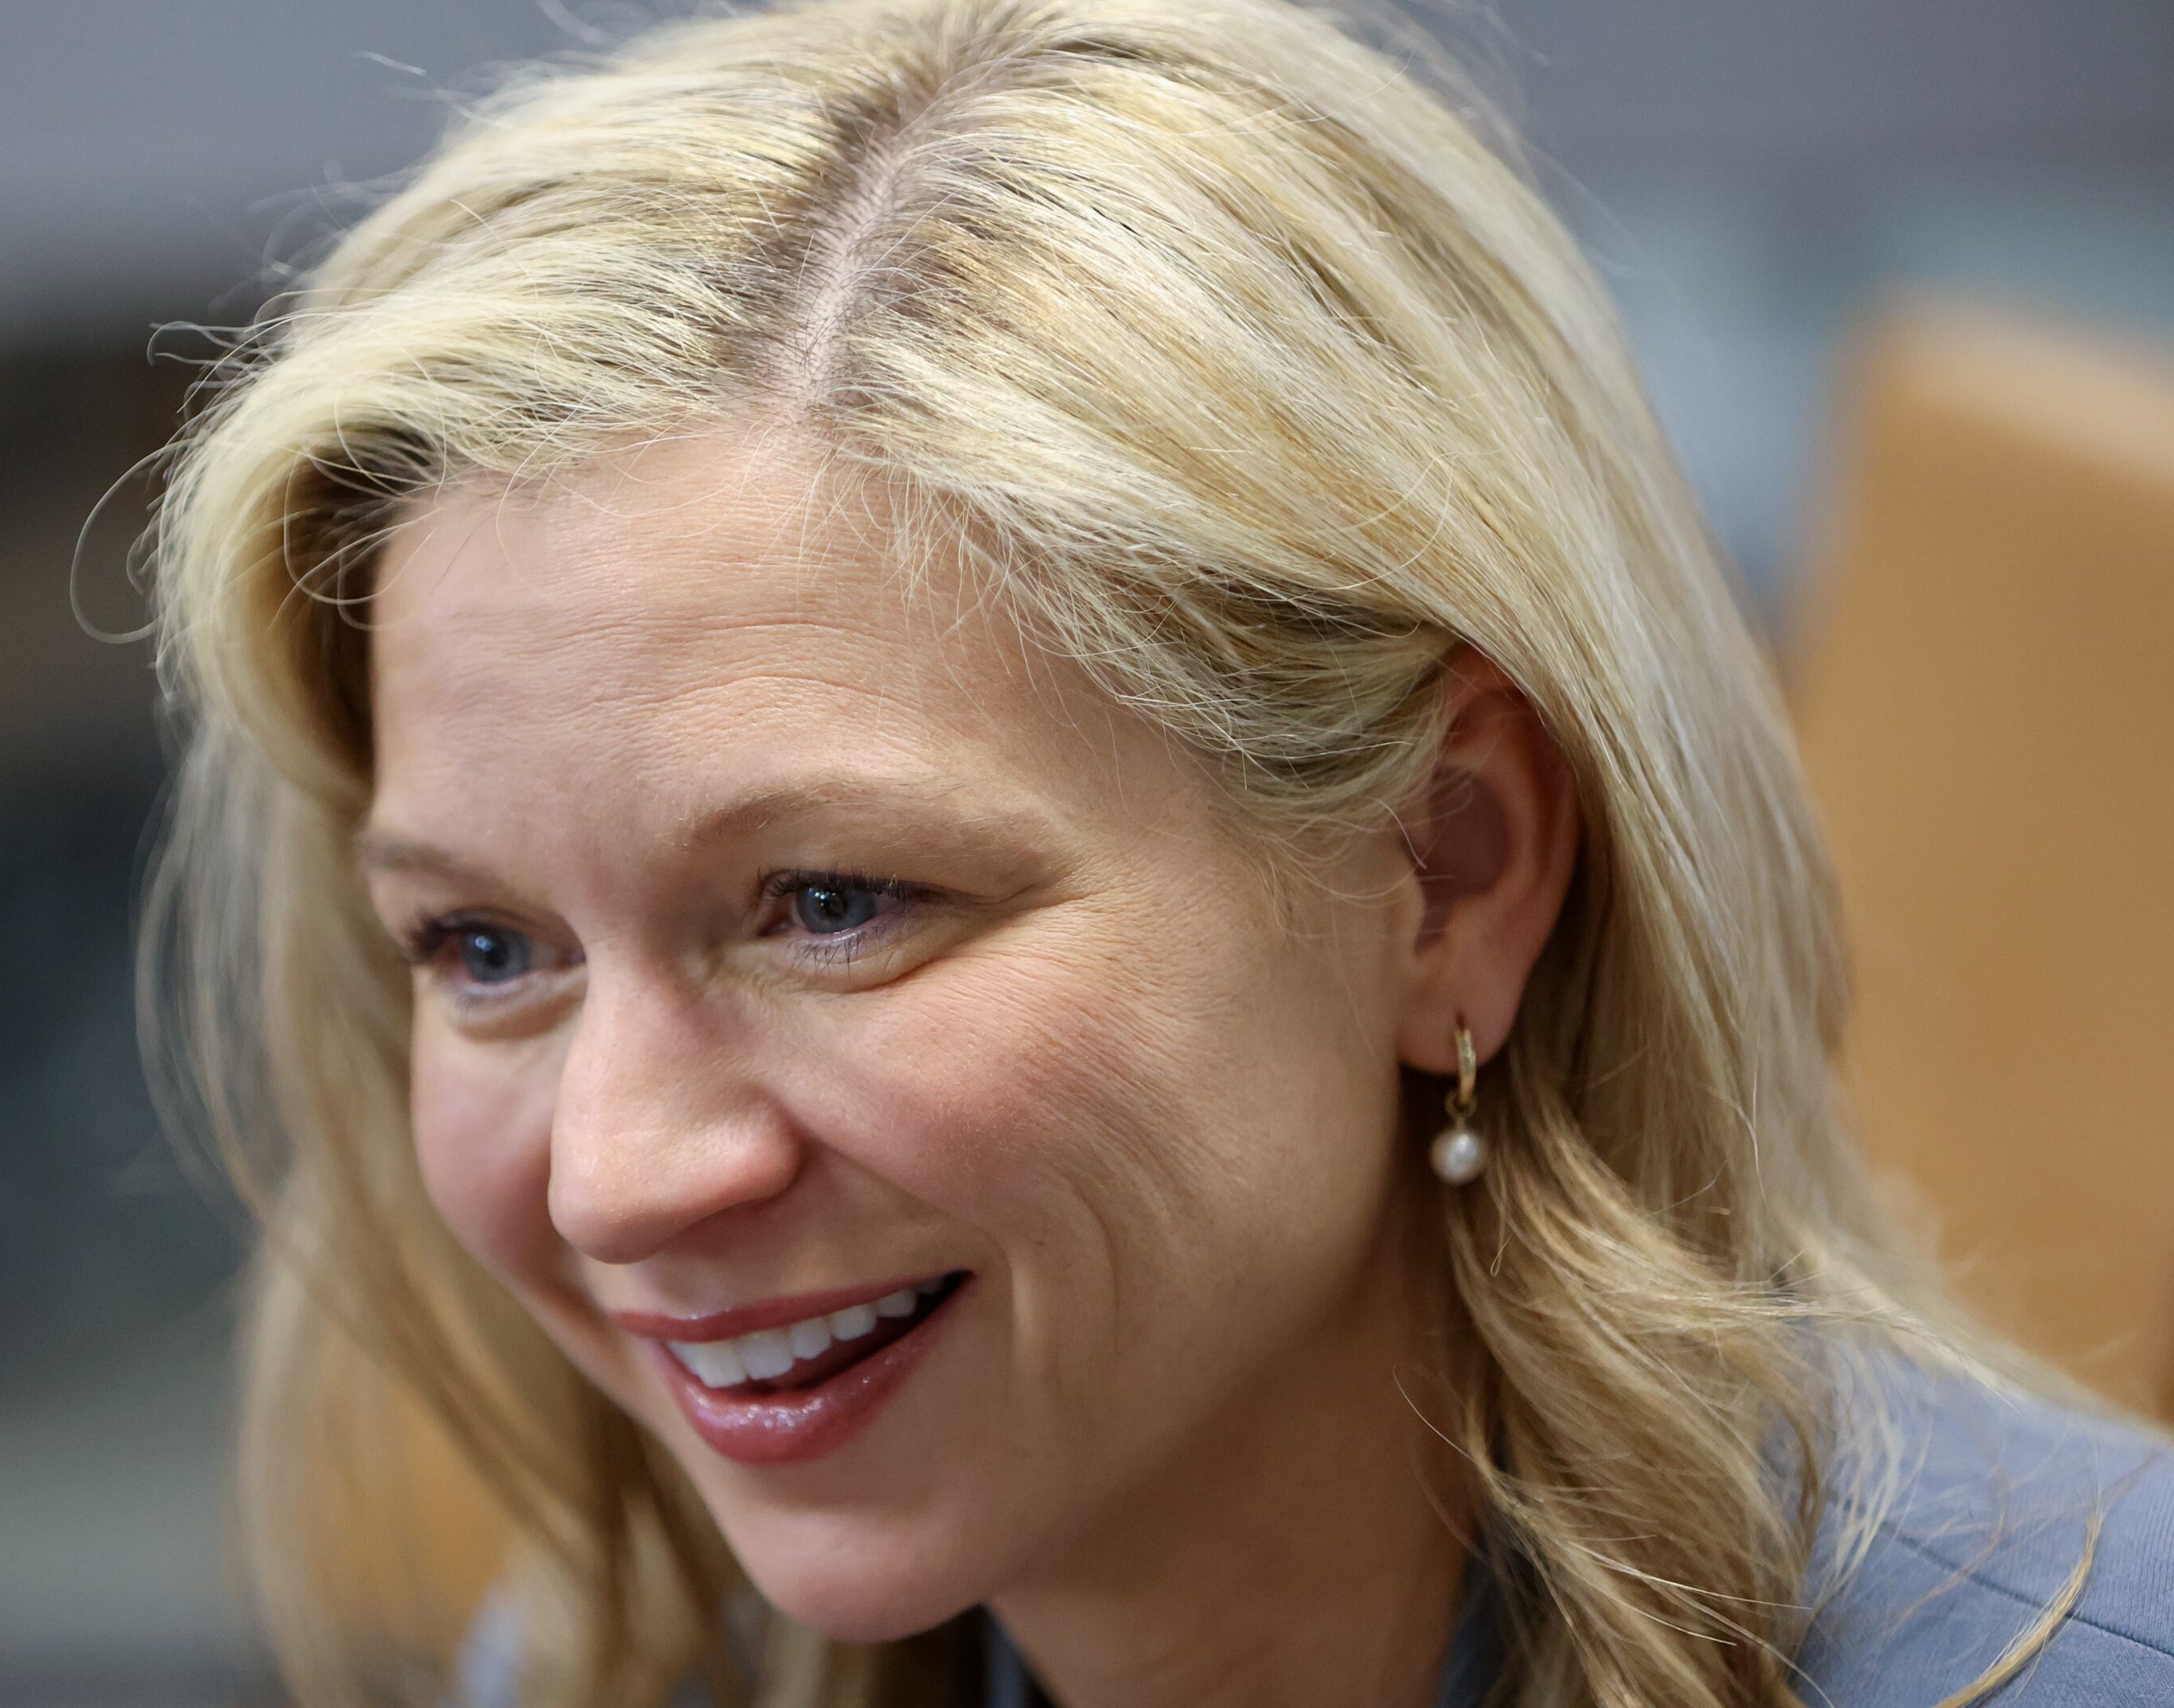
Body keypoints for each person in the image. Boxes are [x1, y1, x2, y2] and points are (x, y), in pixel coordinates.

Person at [139, 2, 2174, 1704]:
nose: (609, 1173)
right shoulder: (652, 1655)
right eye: (484, 947)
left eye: (834, 904)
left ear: (1446, 869)